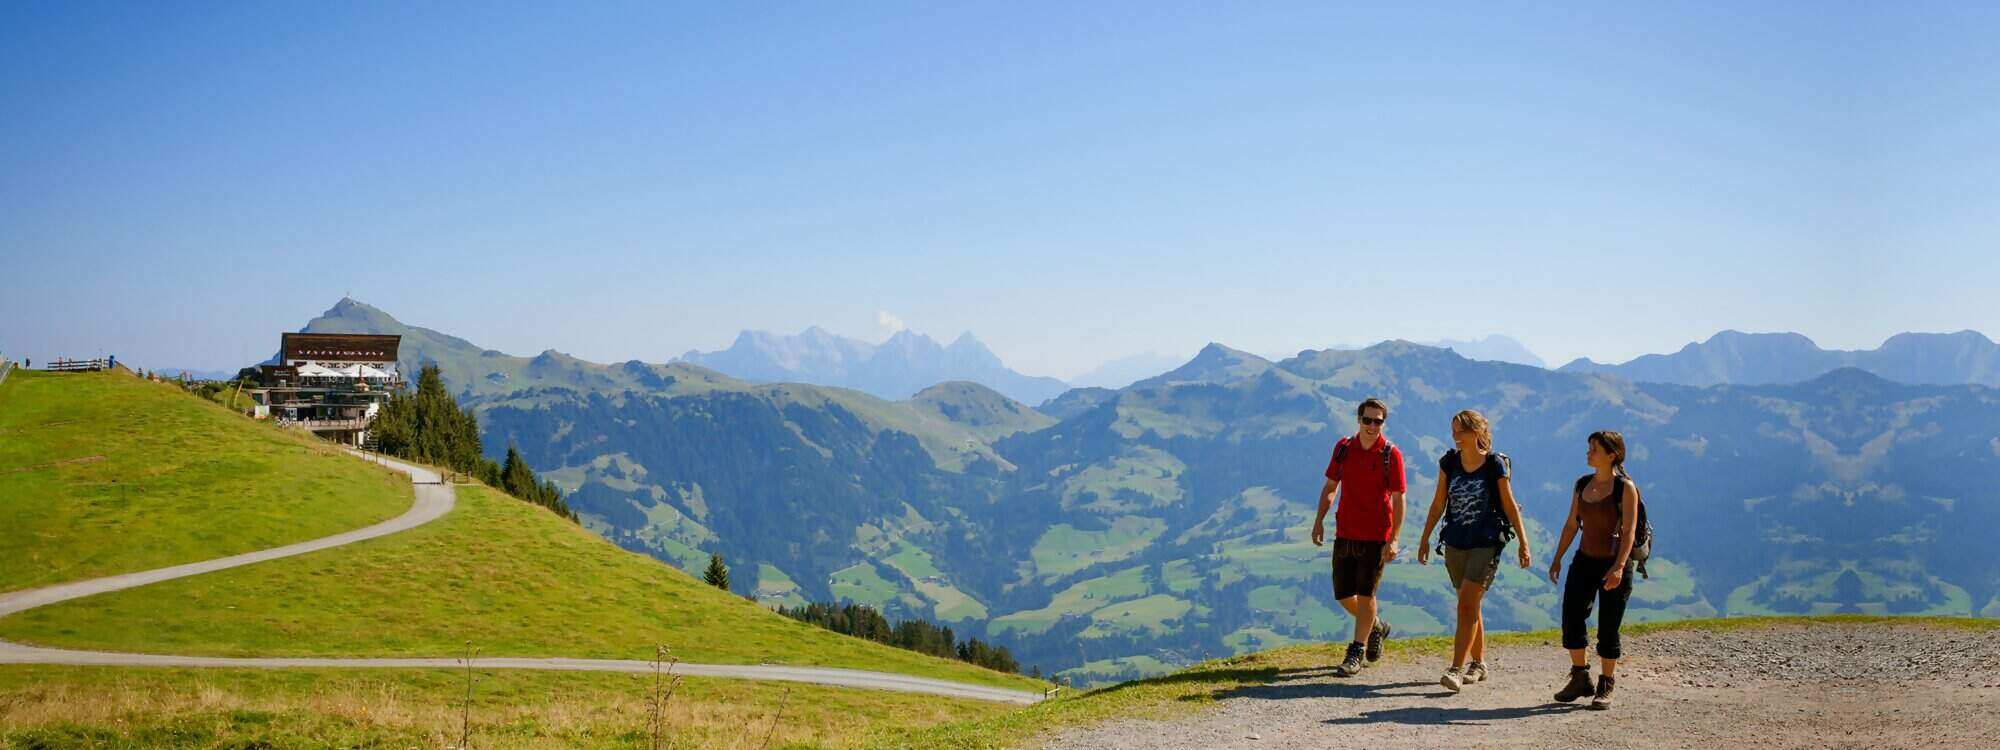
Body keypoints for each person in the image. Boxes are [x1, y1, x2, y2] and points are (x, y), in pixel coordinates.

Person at [1418, 409, 1531, 692]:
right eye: (1453, 431)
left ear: (1476, 432)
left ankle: (1455, 668)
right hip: (1455, 541)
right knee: (1470, 604)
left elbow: (1509, 503)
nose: (1455, 436)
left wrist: (1523, 542)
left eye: (1461, 431)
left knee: (1466, 603)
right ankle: (1479, 663)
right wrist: (1424, 538)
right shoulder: (1449, 463)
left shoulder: (1494, 465)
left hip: (1486, 541)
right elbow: (1438, 504)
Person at [1310, 398, 1408, 677]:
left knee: (1366, 594)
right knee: (1342, 595)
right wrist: (1319, 520)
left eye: (1378, 421)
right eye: (1368, 420)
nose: (1372, 426)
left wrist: (1395, 539)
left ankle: (1356, 652)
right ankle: (1376, 625)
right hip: (1345, 531)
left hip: (1377, 535)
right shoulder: (1343, 449)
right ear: (1358, 420)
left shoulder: (1390, 454)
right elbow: (1331, 486)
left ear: (1384, 423)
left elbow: (1400, 499)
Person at [1547, 430, 1642, 711]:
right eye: (1589, 448)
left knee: (1609, 626)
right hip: (1584, 561)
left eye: (1594, 449)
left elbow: (1629, 532)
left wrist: (1619, 567)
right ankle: (1580, 677)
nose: (1588, 453)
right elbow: (1571, 524)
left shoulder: (1625, 488)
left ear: (1611, 455)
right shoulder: (1582, 484)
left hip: (1613, 564)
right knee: (1572, 617)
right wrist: (1558, 558)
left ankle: (1606, 683)